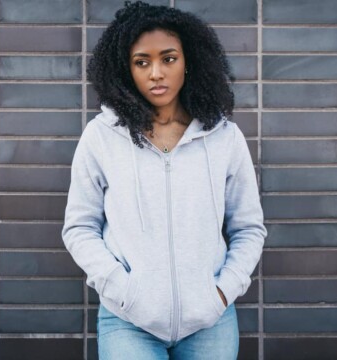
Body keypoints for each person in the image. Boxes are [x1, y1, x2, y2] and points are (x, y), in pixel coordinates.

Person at [62, 1, 267, 359]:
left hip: (210, 323)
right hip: (128, 322)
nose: (156, 72)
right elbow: (79, 228)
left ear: (189, 63)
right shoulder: (101, 137)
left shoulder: (224, 137)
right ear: (127, 70)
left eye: (168, 59)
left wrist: (221, 292)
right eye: (142, 62)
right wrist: (124, 291)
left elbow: (248, 228)